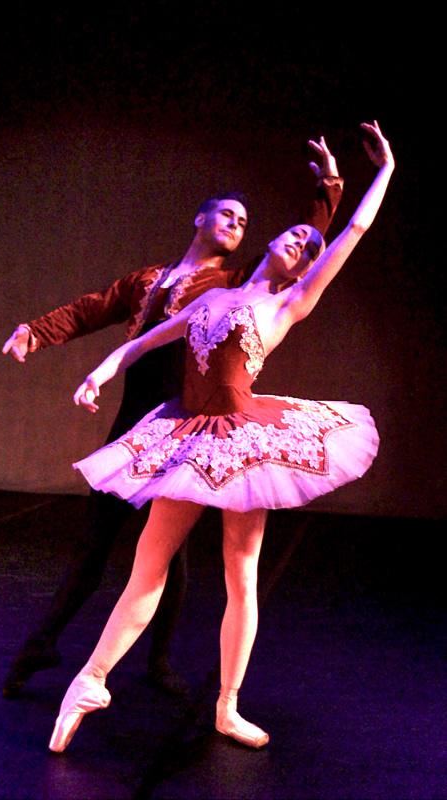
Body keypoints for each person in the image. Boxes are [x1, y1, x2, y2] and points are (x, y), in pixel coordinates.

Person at [47, 121, 394, 753]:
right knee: (147, 565)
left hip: (244, 441)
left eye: (309, 246)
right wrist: (101, 370)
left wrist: (385, 170)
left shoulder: (287, 305)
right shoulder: (212, 299)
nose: (300, 240)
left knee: (242, 572)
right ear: (274, 239)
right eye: (296, 233)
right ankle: (88, 682)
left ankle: (227, 706)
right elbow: (145, 341)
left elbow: (353, 231)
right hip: (191, 435)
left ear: (303, 269)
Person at [1, 141, 343, 698]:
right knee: (98, 538)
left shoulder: (229, 285)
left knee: (168, 551)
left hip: (179, 417)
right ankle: (42, 644)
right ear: (200, 219)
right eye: (227, 215)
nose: (236, 225)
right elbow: (93, 308)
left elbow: (301, 249)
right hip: (133, 418)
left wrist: (327, 193)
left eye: (244, 222)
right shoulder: (147, 279)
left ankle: (157, 660)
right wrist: (35, 332)